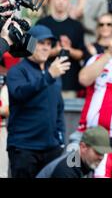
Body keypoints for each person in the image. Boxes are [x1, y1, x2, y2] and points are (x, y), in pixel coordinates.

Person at [6, 25, 70, 178]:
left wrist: (60, 138)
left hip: (51, 148)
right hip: (24, 148)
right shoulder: (17, 70)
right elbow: (19, 94)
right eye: (41, 43)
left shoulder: (53, 72)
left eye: (49, 44)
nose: (46, 48)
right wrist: (48, 76)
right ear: (30, 44)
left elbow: (59, 107)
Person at [37, 0, 85, 99]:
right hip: (45, 80)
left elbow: (82, 54)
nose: (61, 2)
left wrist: (68, 50)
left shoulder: (76, 26)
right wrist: (56, 50)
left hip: (69, 83)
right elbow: (33, 54)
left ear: (69, 1)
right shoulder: (42, 24)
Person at [36, 126, 112, 178]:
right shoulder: (66, 170)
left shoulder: (85, 163)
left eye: (103, 154)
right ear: (83, 147)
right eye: (98, 152)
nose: (101, 157)